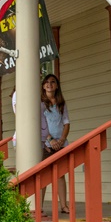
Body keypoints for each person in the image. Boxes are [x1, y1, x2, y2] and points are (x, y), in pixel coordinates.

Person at [40, 74, 70, 214]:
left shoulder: (61, 104)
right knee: (44, 176)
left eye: (52, 82)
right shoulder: (40, 104)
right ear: (43, 86)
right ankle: (38, 207)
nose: (49, 84)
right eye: (46, 82)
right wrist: (50, 139)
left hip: (61, 143)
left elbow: (66, 123)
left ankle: (63, 205)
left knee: (61, 175)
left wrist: (61, 140)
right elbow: (40, 124)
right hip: (46, 143)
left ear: (57, 85)